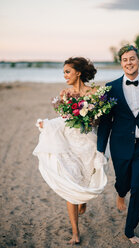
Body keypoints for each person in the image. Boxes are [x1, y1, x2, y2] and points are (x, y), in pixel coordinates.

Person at [33, 57, 107, 245]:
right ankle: (75, 232)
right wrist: (47, 124)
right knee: (70, 186)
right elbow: (65, 120)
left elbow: (101, 119)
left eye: (67, 71)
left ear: (78, 73)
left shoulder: (95, 92)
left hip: (89, 142)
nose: (65, 75)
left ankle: (83, 199)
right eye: (64, 72)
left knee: (87, 179)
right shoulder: (64, 94)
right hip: (70, 144)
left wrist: (92, 116)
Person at [97, 45, 139, 244]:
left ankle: (130, 229)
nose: (129, 62)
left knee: (138, 187)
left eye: (132, 58)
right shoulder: (111, 87)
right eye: (125, 59)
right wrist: (100, 150)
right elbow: (105, 121)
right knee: (123, 182)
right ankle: (120, 193)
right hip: (120, 145)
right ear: (121, 63)